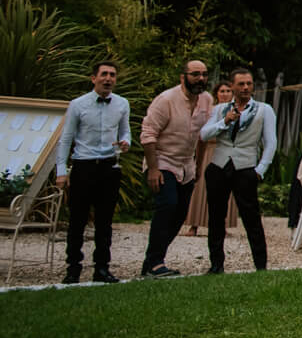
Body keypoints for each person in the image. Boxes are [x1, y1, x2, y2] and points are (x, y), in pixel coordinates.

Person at [56, 62, 131, 284]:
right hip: (84, 165)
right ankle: (73, 268)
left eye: (112, 75)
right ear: (93, 78)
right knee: (77, 219)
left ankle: (102, 267)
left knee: (104, 220)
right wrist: (61, 171)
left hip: (109, 166)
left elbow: (125, 129)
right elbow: (66, 138)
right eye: (104, 74)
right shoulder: (78, 104)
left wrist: (126, 142)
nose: (108, 79)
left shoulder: (122, 104)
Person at [197, 68, 277, 273]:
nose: (245, 88)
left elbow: (270, 142)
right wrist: (224, 122)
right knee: (215, 217)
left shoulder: (264, 109)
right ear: (232, 86)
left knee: (251, 217)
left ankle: (260, 265)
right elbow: (204, 134)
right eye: (241, 84)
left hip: (245, 168)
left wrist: (260, 169)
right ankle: (216, 264)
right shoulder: (220, 109)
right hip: (219, 166)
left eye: (249, 84)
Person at [139, 59, 212, 277]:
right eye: (195, 74)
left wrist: (198, 165)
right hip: (162, 161)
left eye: (204, 74)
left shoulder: (207, 100)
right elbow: (148, 135)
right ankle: (155, 263)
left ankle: (151, 261)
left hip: (187, 164)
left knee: (180, 214)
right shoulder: (166, 100)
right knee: (168, 205)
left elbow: (202, 136)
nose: (200, 79)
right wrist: (153, 169)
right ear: (183, 77)